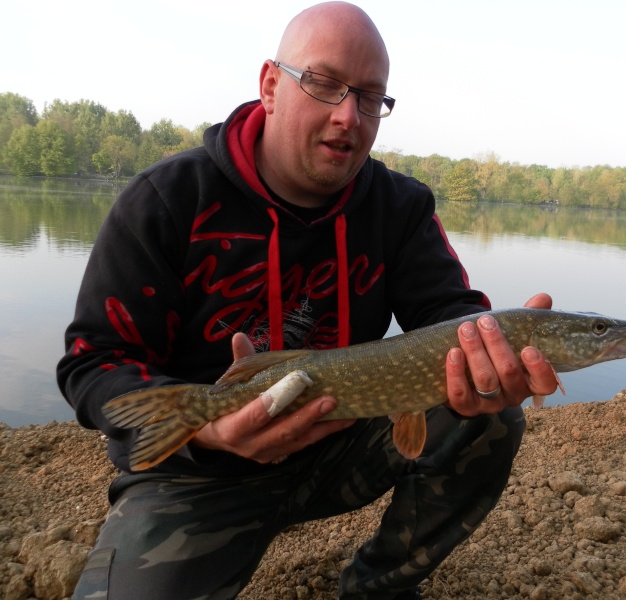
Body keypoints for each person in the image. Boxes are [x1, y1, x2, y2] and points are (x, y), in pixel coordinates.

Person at [57, 2, 559, 598]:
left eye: (370, 98)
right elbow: (94, 362)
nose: (349, 115)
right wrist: (209, 432)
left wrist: (491, 354)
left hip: (338, 447)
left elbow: (451, 317)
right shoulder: (164, 201)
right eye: (324, 84)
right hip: (199, 474)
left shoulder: (399, 207)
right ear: (271, 85)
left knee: (488, 414)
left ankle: (379, 587)